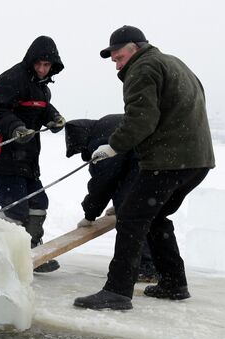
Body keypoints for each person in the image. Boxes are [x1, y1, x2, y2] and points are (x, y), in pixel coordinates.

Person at [74, 25, 215, 310]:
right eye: (113, 59)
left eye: (119, 55)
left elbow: (142, 119)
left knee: (131, 218)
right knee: (156, 216)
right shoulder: (173, 63)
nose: (116, 62)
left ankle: (117, 291)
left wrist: (114, 146)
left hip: (169, 161)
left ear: (135, 47)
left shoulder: (142, 68)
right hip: (197, 161)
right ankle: (174, 283)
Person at [0, 35, 66, 273]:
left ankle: (32, 251)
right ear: (30, 62)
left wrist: (54, 118)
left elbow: (43, 109)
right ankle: (5, 257)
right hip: (2, 155)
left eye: (47, 65)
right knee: (15, 208)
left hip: (27, 158)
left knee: (39, 202)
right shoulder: (11, 80)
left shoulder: (42, 88)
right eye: (38, 64)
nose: (42, 69)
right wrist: (15, 127)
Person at [64, 114, 157, 282]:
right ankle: (155, 264)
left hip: (141, 164)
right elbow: (120, 173)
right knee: (145, 215)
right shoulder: (108, 124)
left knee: (131, 220)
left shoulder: (101, 139)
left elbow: (103, 180)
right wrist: (119, 204)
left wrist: (90, 214)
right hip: (153, 163)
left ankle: (145, 266)